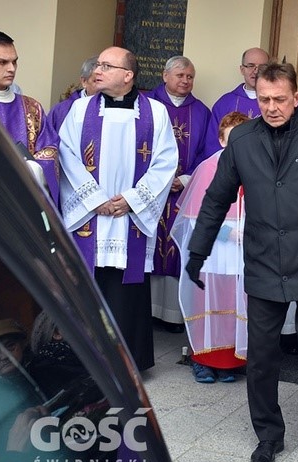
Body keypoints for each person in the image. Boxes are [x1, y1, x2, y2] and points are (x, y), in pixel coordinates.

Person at [185, 62, 298, 462]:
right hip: (264, 260)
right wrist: (197, 252)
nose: (271, 107)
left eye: (279, 99)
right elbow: (216, 199)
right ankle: (268, 435)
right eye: (264, 99)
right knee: (262, 355)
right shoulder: (243, 139)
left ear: (296, 97)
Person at [57, 46, 178, 372]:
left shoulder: (156, 113)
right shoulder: (80, 109)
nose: (98, 70)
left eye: (106, 66)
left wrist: (133, 200)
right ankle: (85, 360)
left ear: (128, 75)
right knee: (89, 285)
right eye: (98, 64)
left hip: (129, 219)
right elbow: (66, 155)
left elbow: (166, 162)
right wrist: (94, 199)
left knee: (127, 290)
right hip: (92, 216)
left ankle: (128, 363)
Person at [172, 111, 249, 383]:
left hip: (242, 253)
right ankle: (202, 360)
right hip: (214, 252)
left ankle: (229, 361)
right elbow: (196, 217)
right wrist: (229, 232)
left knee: (234, 302)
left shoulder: (255, 167)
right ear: (221, 140)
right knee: (206, 302)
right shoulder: (208, 168)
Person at [147, 56, 213, 334]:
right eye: (180, 75)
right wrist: (159, 180)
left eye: (190, 77)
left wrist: (186, 179)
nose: (186, 81)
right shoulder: (147, 105)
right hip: (150, 192)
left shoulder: (202, 112)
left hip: (184, 190)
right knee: (150, 245)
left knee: (177, 249)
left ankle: (173, 315)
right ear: (165, 76)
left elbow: (208, 151)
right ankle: (147, 311)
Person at [0, 30, 59, 203]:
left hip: (23, 202)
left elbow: (50, 149)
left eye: (14, 62)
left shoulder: (32, 108)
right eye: (2, 62)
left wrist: (31, 168)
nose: (11, 68)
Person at [204, 47, 269, 157]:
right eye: (251, 66)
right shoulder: (225, 103)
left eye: (262, 67)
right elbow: (213, 145)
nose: (256, 71)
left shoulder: (277, 102)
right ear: (242, 69)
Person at [47, 56, 98, 133]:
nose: (102, 86)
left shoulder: (113, 108)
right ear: (84, 81)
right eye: (97, 81)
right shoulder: (61, 111)